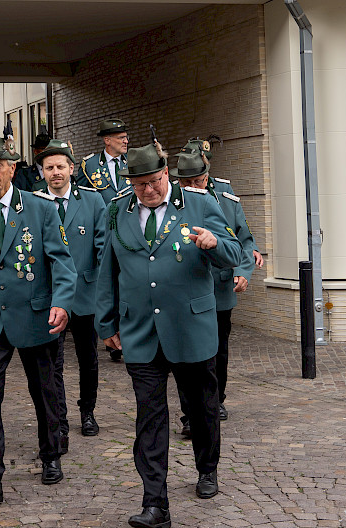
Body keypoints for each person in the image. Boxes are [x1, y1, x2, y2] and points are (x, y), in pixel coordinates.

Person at [96, 142, 244, 528]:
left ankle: (207, 468)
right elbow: (107, 268)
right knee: (149, 415)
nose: (148, 190)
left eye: (154, 181)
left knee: (201, 407)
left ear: (166, 174)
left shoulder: (200, 203)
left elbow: (235, 252)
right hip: (141, 331)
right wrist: (106, 323)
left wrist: (214, 244)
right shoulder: (117, 211)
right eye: (139, 184)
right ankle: (155, 503)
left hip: (190, 327)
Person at [0, 137, 76, 504]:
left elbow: (61, 261)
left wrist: (61, 303)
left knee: (44, 390)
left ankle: (51, 454)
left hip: (35, 316)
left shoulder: (40, 209)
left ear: (12, 168)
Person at [170, 142, 259, 434]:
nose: (193, 187)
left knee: (217, 350)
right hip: (186, 288)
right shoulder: (170, 204)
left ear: (207, 177)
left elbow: (245, 240)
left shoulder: (225, 199)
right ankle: (189, 415)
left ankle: (216, 400)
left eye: (198, 181)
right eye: (187, 183)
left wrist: (243, 271)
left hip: (219, 288)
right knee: (185, 352)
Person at [34, 139, 107, 444]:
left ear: (71, 169)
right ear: (42, 172)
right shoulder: (33, 202)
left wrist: (107, 292)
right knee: (53, 363)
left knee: (88, 359)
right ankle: (59, 419)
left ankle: (87, 411)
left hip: (85, 295)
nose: (55, 172)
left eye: (60, 166)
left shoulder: (92, 200)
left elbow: (103, 248)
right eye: (49, 167)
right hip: (50, 297)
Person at [81, 118, 131, 362]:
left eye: (126, 137)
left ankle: (126, 336)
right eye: (121, 138)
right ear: (107, 140)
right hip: (101, 234)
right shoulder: (89, 165)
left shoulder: (133, 161)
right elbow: (82, 198)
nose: (126, 141)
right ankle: (111, 334)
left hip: (129, 232)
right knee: (107, 284)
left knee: (126, 285)